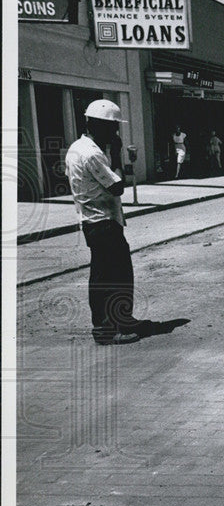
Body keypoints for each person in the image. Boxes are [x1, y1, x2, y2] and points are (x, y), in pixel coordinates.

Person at [65, 99, 147, 345]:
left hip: (96, 220)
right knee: (117, 275)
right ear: (96, 125)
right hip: (102, 221)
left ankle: (108, 324)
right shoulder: (91, 153)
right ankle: (114, 326)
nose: (115, 133)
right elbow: (117, 187)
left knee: (103, 273)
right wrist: (119, 157)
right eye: (112, 128)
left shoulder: (78, 147)